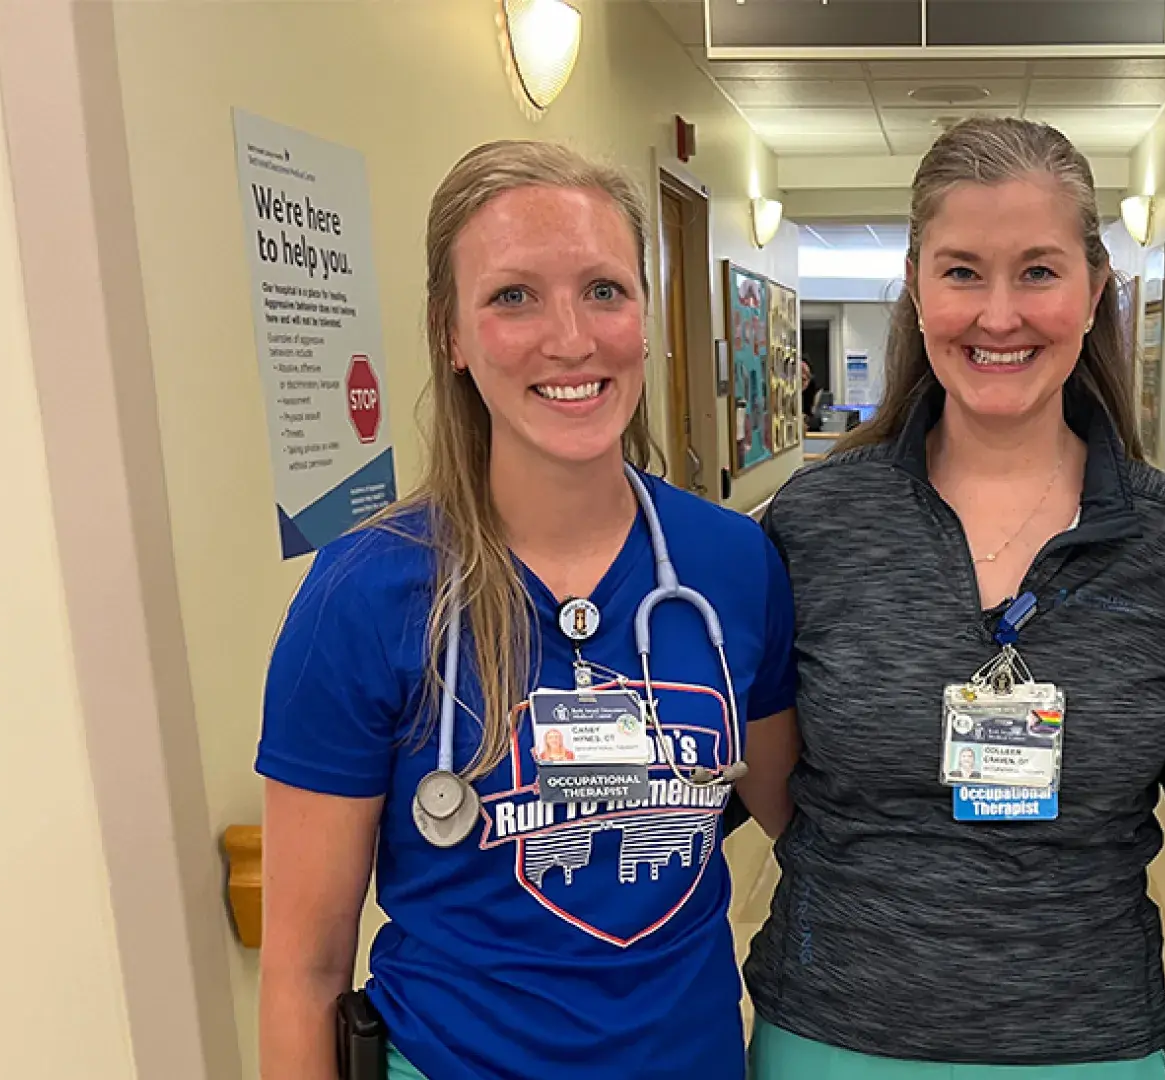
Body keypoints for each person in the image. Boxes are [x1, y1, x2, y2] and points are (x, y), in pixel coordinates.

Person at [255, 140, 798, 1080]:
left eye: (604, 290)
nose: (572, 339)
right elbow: (303, 973)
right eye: (512, 296)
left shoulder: (733, 564)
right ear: (451, 335)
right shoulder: (362, 595)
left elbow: (808, 825)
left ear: (644, 315)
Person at [743, 117, 1165, 1078]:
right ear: (917, 293)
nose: (998, 314)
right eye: (962, 271)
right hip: (835, 1031)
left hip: (1087, 1039)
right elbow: (773, 779)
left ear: (1095, 291)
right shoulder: (817, 522)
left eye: (1039, 271)